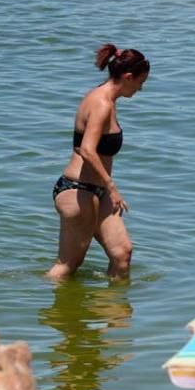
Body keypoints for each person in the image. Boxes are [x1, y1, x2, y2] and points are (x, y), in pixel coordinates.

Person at [48, 44, 150, 280]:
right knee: (68, 265)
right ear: (128, 77)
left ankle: (115, 313)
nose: (141, 89)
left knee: (122, 254)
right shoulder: (101, 104)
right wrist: (112, 188)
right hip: (77, 190)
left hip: (97, 191)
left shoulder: (107, 99)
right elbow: (86, 149)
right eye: (140, 82)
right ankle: (47, 311)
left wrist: (106, 188)